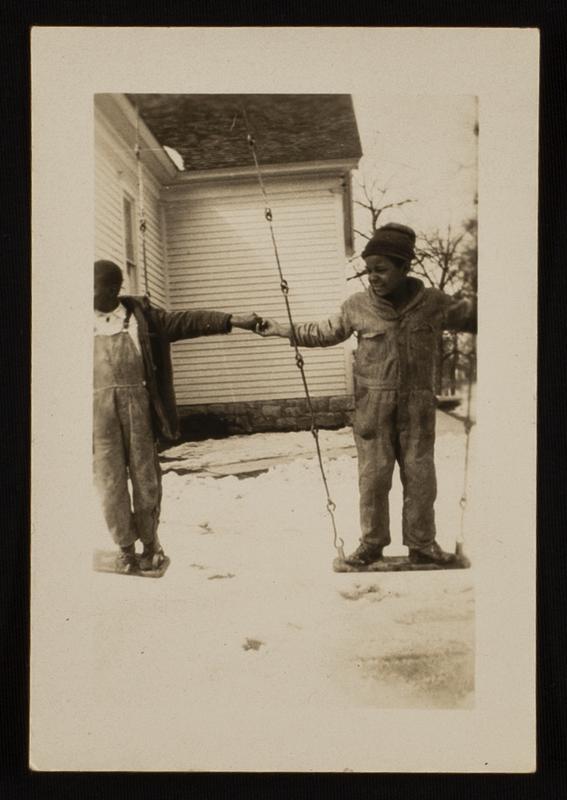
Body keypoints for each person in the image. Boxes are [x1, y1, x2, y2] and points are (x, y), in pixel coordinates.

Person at [257, 222, 476, 566]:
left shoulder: (433, 303)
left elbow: (474, 317)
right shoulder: (357, 306)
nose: (373, 276)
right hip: (373, 408)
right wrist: (282, 330)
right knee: (373, 478)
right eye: (368, 269)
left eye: (381, 269)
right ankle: (372, 544)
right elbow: (324, 332)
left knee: (421, 478)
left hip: (417, 407)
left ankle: (422, 544)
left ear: (405, 267)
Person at [93, 259, 259, 572]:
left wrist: (233, 320)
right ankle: (125, 548)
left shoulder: (142, 319)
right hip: (97, 417)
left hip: (137, 407)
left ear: (113, 289)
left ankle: (150, 544)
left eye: (94, 288)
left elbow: (188, 321)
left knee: (145, 479)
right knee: (108, 483)